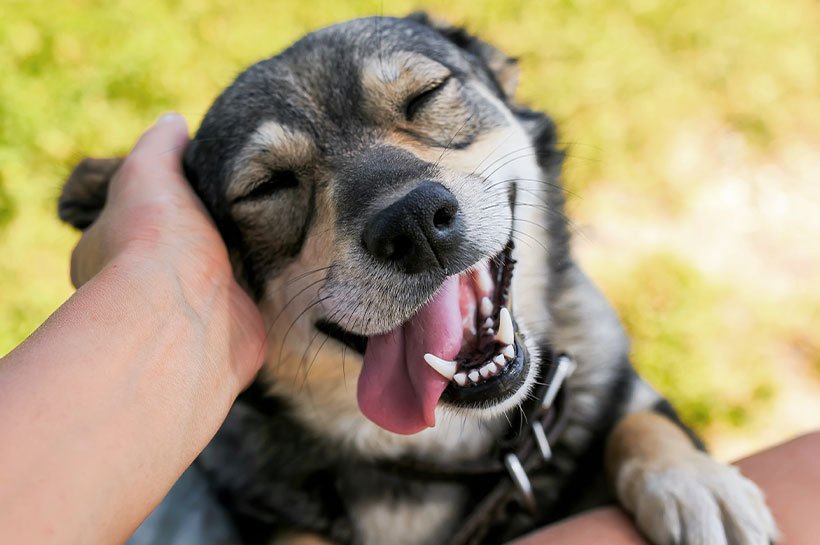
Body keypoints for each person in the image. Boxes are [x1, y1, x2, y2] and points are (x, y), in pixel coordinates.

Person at [0, 115, 817, 545]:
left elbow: (622, 405)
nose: (408, 206)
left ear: (508, 99)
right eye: (272, 183)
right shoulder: (244, 470)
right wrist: (158, 273)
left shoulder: (580, 343)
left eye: (425, 104)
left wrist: (651, 450)